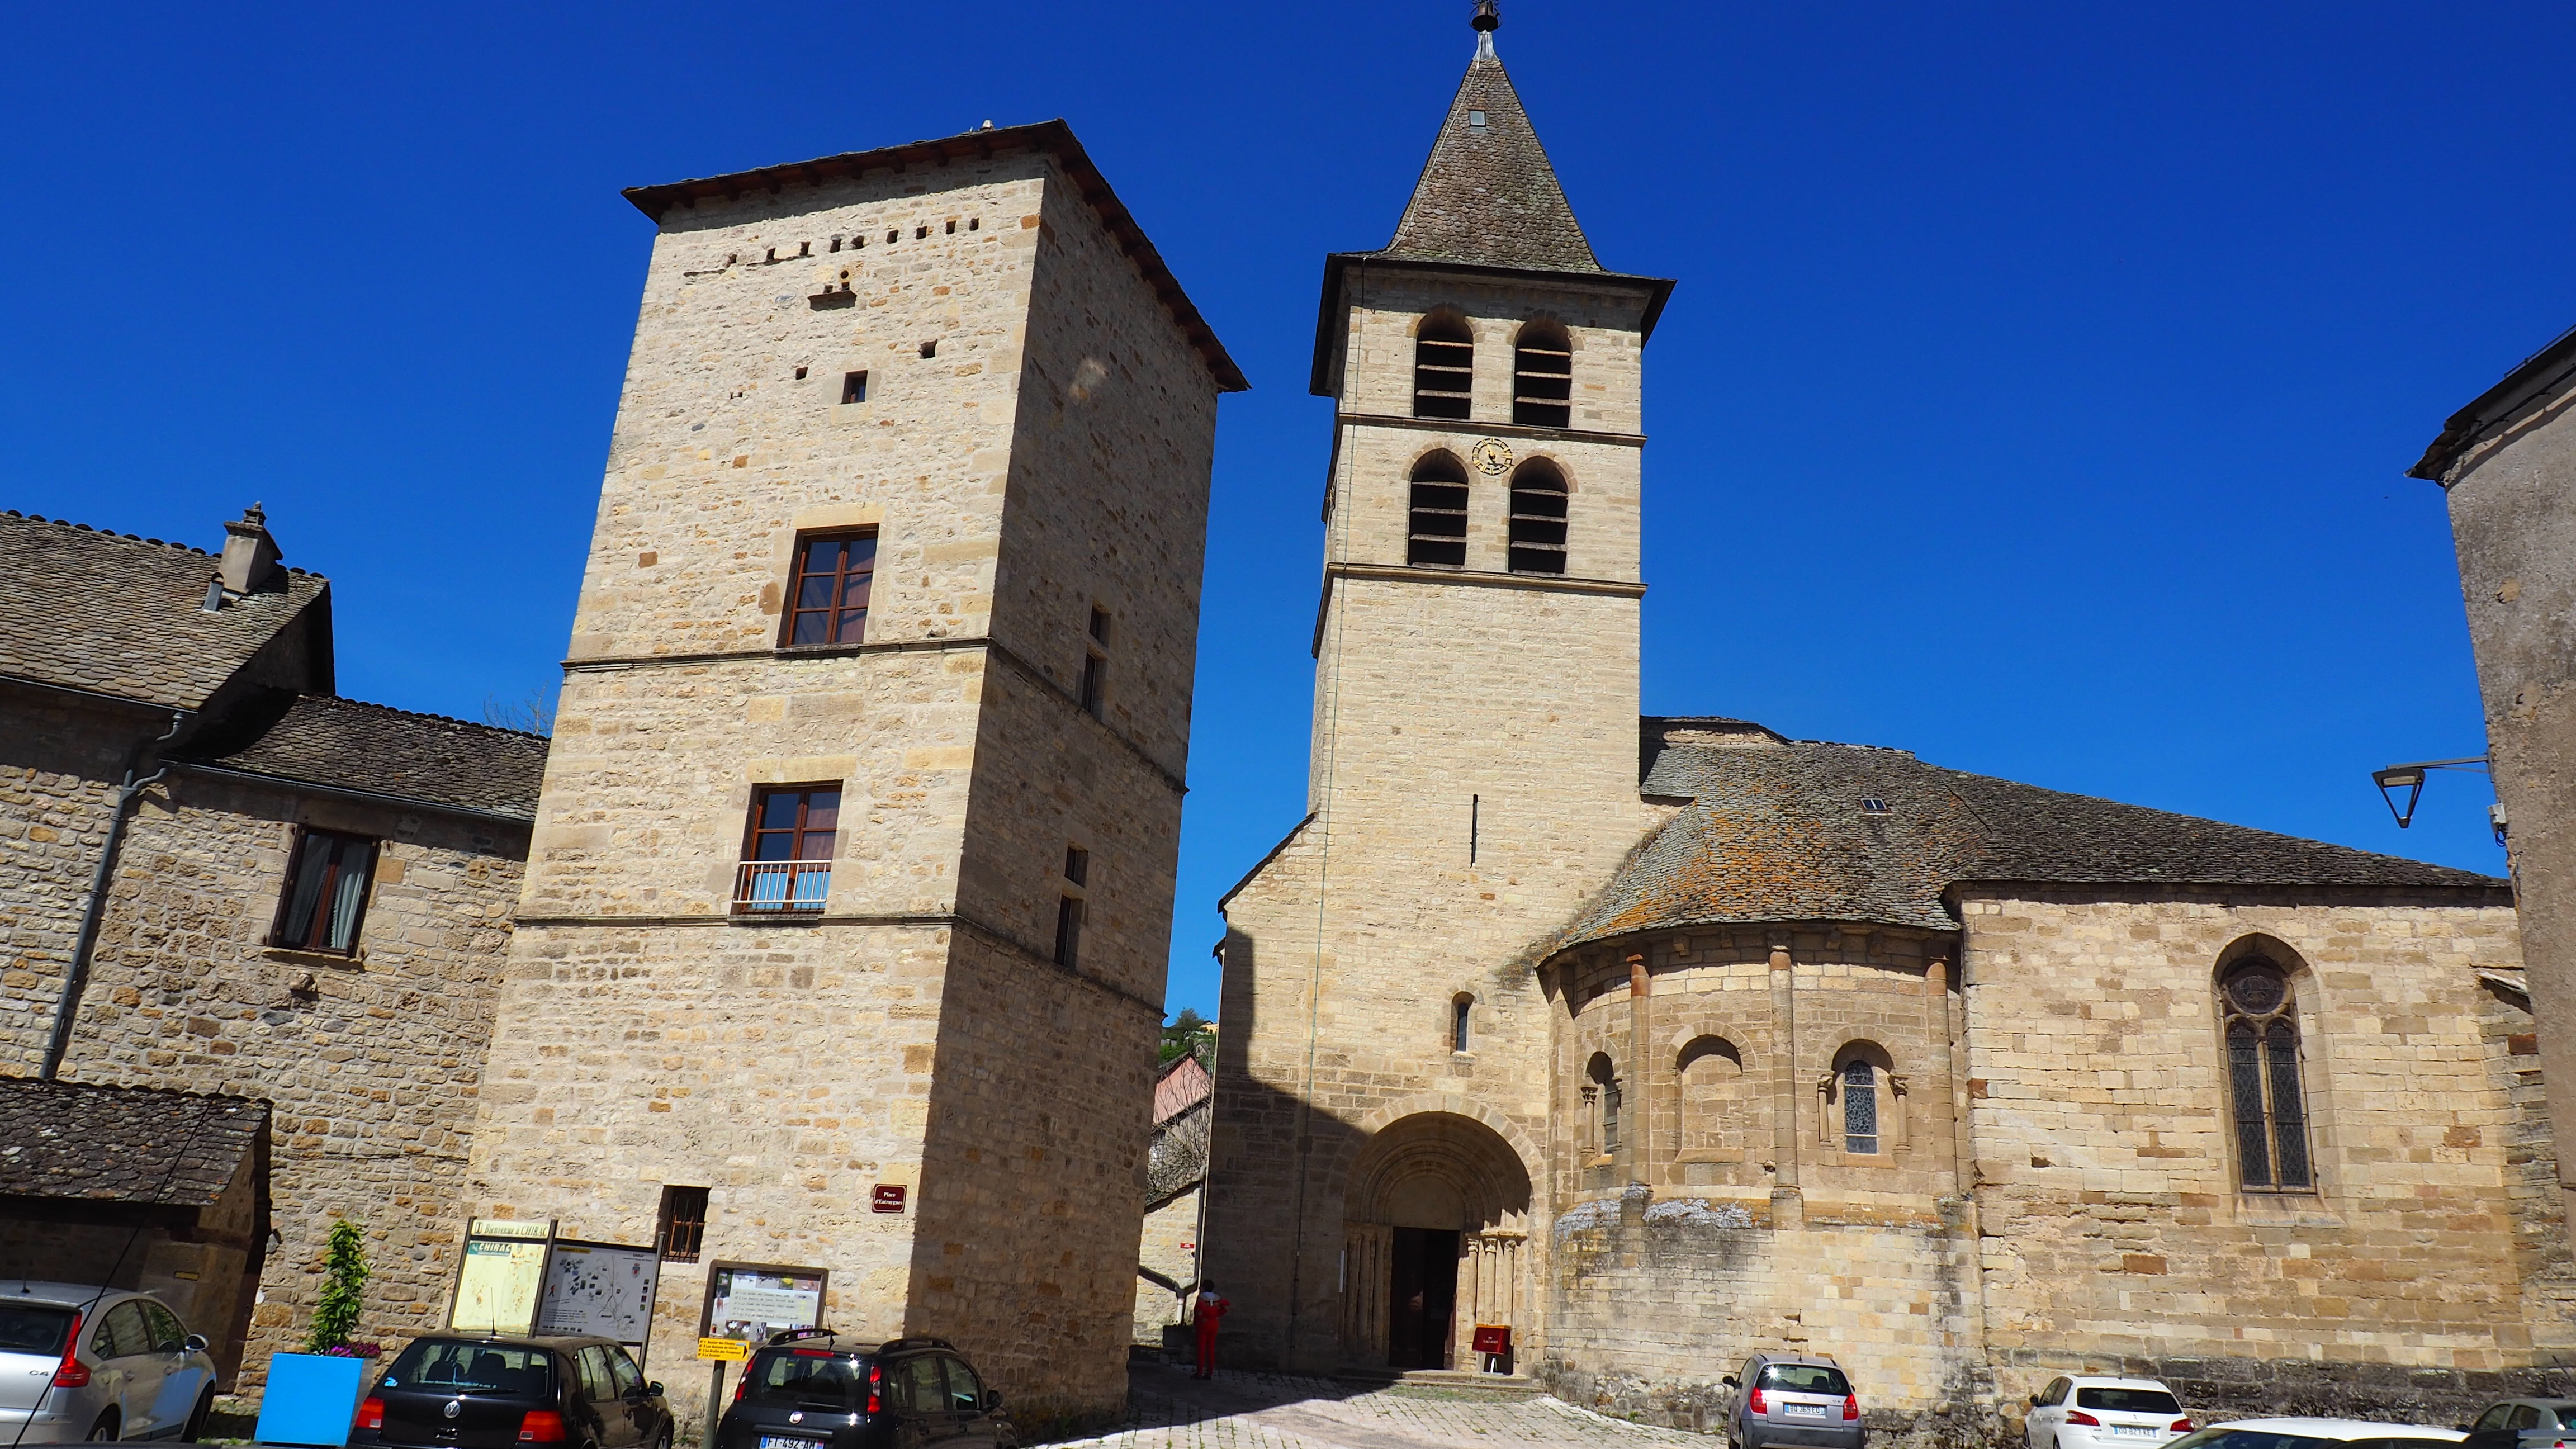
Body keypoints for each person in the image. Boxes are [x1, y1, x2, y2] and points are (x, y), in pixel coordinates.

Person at [1190, 1281, 1229, 1379]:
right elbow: (1226, 1306)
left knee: (1202, 1349)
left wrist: (1201, 1318)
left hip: (1204, 1324)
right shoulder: (1217, 1298)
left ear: (1203, 1287)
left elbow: (1198, 1310)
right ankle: (1209, 1373)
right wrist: (1218, 1315)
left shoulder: (1202, 1298)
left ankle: (1199, 1373)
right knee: (1211, 1349)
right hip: (1214, 1323)